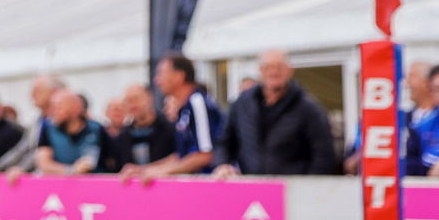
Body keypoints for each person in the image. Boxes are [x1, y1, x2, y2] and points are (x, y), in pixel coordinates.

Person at [213, 49, 337, 177]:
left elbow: (324, 156)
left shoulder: (308, 109)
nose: (274, 72)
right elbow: (224, 142)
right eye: (268, 67)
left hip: (293, 190)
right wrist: (222, 164)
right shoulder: (242, 104)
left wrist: (307, 188)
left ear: (290, 70)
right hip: (252, 190)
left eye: (279, 67)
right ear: (260, 70)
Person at [129, 54, 225, 178]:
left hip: (212, 187)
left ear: (179, 76)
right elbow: (182, 156)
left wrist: (163, 172)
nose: (157, 80)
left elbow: (205, 155)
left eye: (161, 74)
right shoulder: (185, 109)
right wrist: (144, 170)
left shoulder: (197, 102)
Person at [34, 90, 114, 175]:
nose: (53, 112)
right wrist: (71, 170)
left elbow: (112, 161)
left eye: (59, 107)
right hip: (61, 184)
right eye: (52, 107)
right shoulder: (48, 128)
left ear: (76, 109)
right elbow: (44, 164)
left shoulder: (97, 129)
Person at [112, 83, 177, 171]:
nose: (133, 105)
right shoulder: (122, 137)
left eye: (136, 99)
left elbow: (181, 158)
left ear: (150, 98)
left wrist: (142, 170)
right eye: (128, 100)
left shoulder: (171, 128)